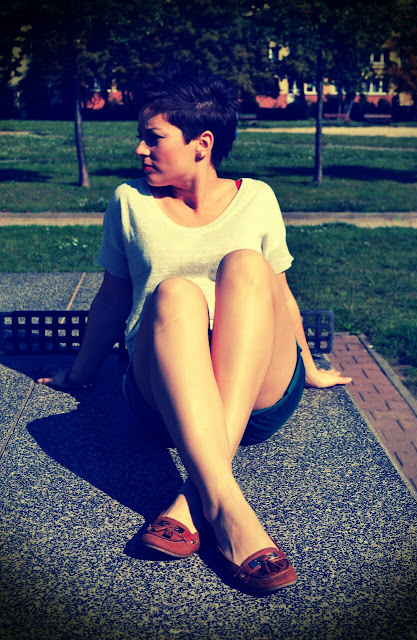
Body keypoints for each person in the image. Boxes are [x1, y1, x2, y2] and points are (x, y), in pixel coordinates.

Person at [38, 67, 351, 594]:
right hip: (165, 398)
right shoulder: (130, 201)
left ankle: (193, 499)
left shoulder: (258, 198)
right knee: (174, 292)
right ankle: (228, 510)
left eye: (153, 137)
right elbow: (114, 297)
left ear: (201, 144)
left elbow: (279, 295)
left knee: (247, 265)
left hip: (257, 395)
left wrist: (311, 367)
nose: (140, 148)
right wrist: (80, 373)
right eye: (141, 136)